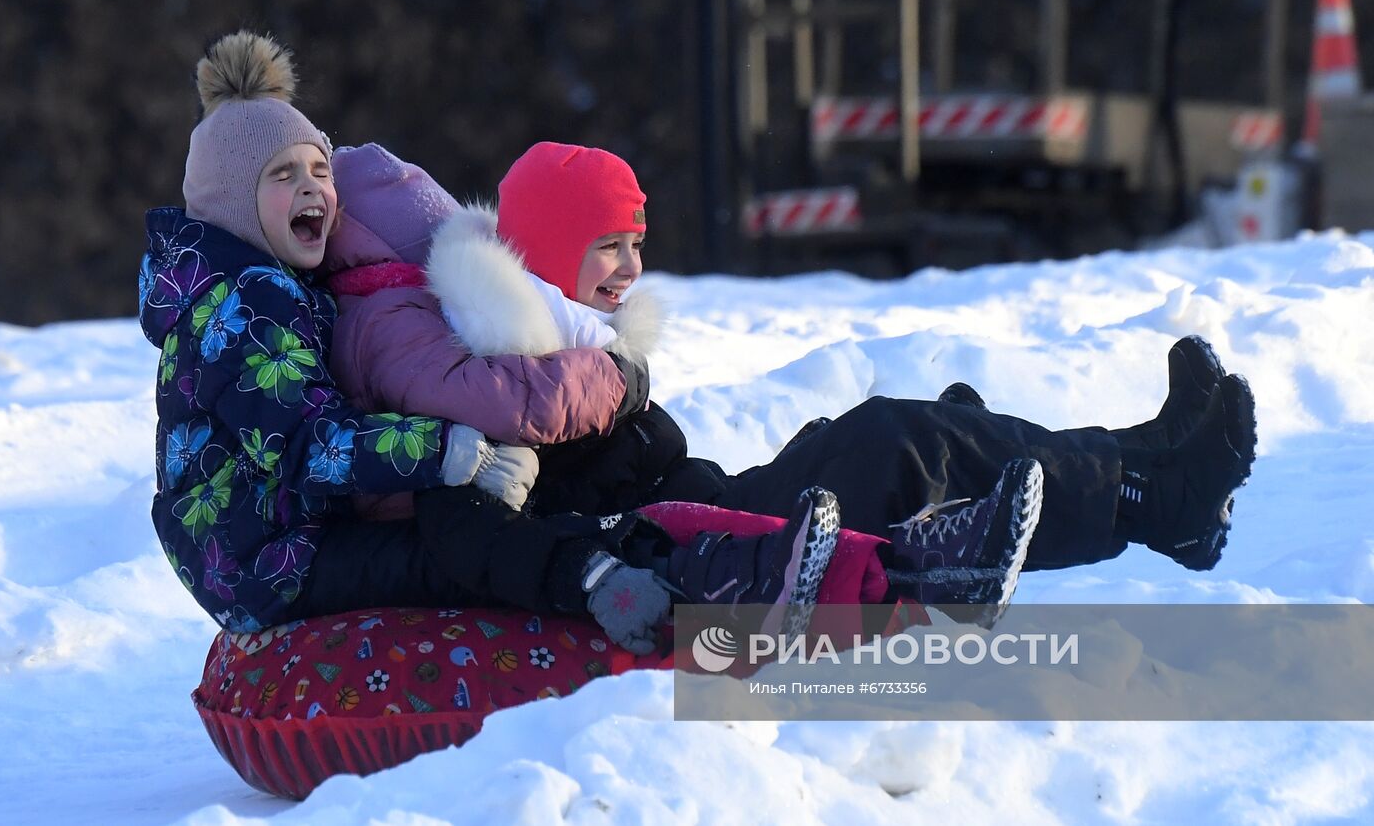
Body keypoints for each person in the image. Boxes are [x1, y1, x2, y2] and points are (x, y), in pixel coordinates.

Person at [140, 32, 843, 653]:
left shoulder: (276, 286)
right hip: (267, 558)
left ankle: (723, 547)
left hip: (292, 531)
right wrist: (445, 451)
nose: (313, 188)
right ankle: (610, 578)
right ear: (234, 201)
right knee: (452, 549)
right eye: (283, 175)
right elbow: (306, 446)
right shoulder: (246, 303)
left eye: (320, 169)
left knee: (500, 506)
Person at [331, 141, 1256, 599]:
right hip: (701, 540)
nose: (630, 269)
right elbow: (484, 524)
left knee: (923, 431)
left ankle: (1145, 456)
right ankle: (1157, 501)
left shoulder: (558, 345)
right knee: (899, 438)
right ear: (543, 249)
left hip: (715, 503)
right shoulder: (494, 369)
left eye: (636, 245)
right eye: (605, 245)